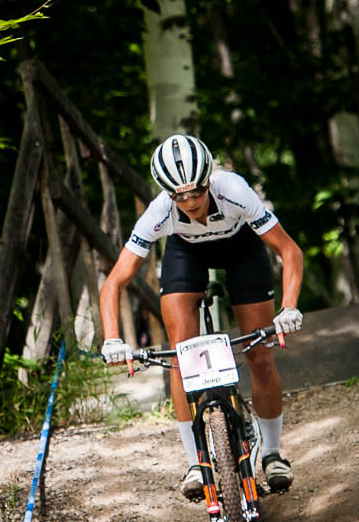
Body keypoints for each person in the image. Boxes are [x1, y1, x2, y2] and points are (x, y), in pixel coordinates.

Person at [99, 134, 305, 501]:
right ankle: (197, 462)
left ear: (209, 180)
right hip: (186, 253)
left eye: (196, 193)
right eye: (180, 196)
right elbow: (115, 281)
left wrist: (289, 307)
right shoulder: (159, 211)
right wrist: (112, 338)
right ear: (168, 194)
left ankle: (272, 453)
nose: (190, 203)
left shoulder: (235, 190)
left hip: (242, 248)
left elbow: (289, 251)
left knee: (259, 352)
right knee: (182, 357)